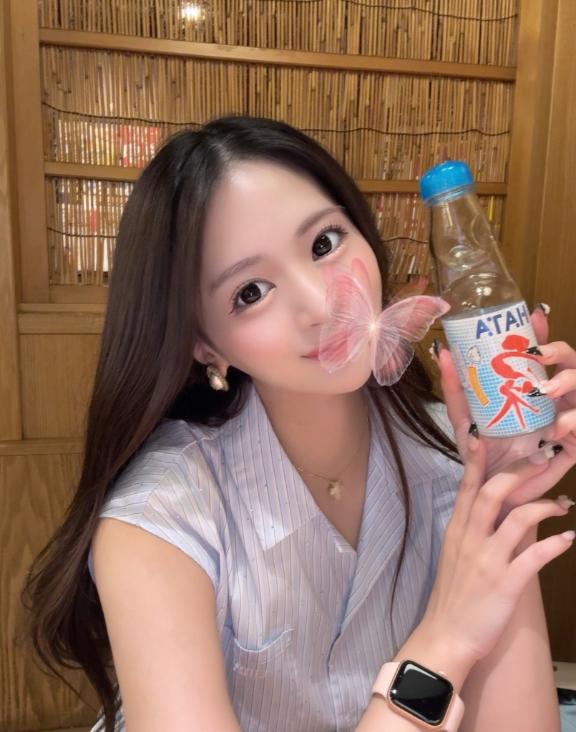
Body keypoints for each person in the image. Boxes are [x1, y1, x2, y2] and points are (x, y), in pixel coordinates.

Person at [21, 116, 576, 732]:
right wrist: (442, 645)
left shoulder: (455, 453)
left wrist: (506, 486)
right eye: (251, 292)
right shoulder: (161, 518)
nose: (321, 305)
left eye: (324, 243)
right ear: (206, 345)